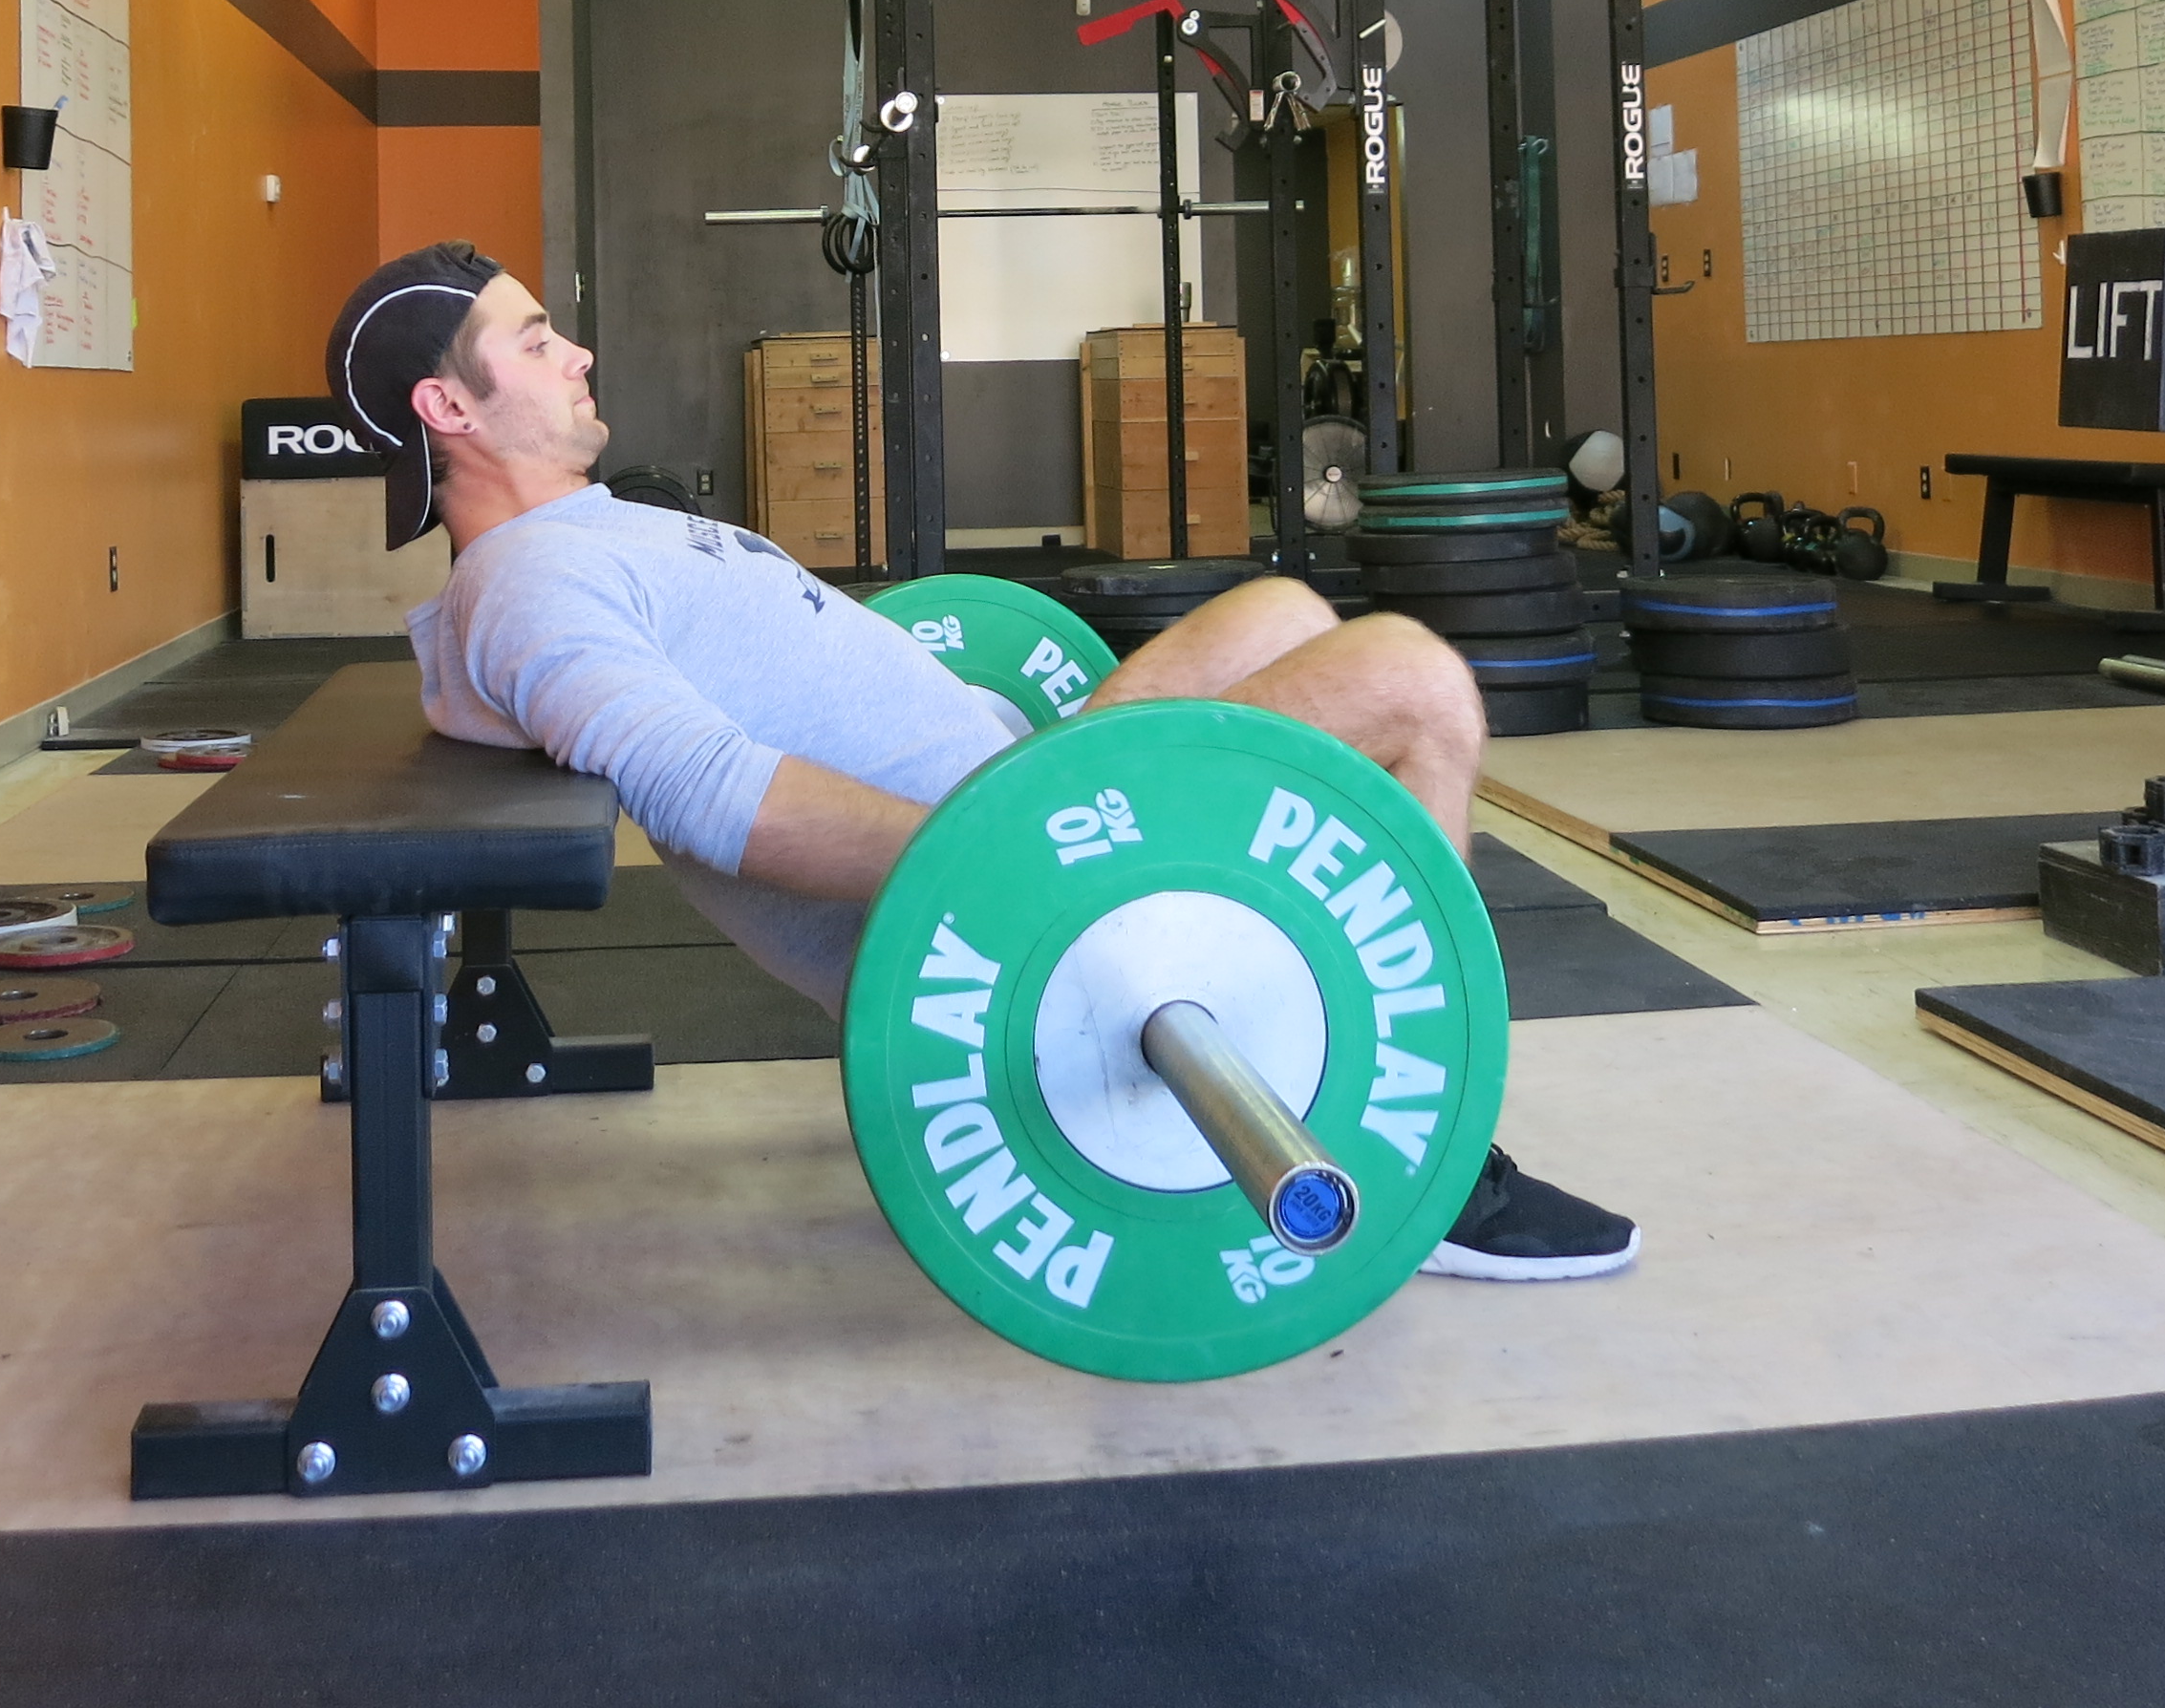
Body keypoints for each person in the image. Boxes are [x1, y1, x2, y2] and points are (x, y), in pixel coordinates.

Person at [331, 240, 1639, 1281]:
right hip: (1015, 896)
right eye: (536, 342)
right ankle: (1426, 1150)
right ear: (447, 406)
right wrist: (1007, 857)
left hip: (1021, 789)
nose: (577, 352)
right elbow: (712, 793)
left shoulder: (579, 540)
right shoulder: (532, 587)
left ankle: (1352, 1048)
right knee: (1416, 683)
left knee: (1284, 614)